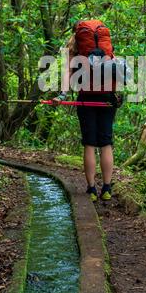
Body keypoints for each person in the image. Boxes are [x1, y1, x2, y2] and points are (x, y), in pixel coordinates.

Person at [52, 21, 117, 202]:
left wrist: (62, 95)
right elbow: (116, 69)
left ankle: (91, 190)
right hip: (108, 98)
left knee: (89, 143)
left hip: (86, 97)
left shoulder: (74, 50)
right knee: (106, 142)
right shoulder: (106, 47)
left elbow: (67, 74)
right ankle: (106, 188)